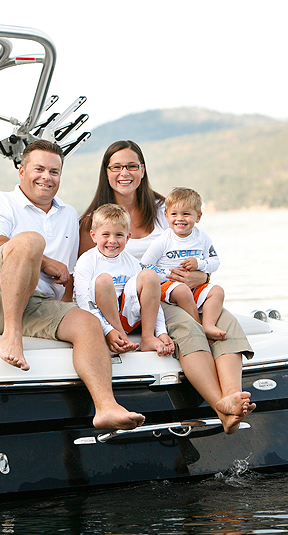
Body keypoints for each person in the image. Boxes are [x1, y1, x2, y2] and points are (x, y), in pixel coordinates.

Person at [0, 140, 145, 431]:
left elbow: (70, 272)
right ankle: (11, 334)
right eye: (39, 169)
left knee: (86, 322)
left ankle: (106, 406)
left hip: (37, 302)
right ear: (21, 171)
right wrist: (44, 261)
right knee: (30, 240)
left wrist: (78, 310)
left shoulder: (69, 214)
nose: (47, 177)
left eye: (54, 171)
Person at [79, 140, 255, 434]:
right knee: (187, 327)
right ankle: (220, 405)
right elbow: (88, 281)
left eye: (132, 166)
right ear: (106, 172)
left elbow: (196, 251)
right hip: (144, 298)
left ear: (143, 170)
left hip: (183, 288)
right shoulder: (93, 220)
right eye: (117, 167)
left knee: (226, 322)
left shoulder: (166, 209)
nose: (125, 173)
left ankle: (232, 398)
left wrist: (202, 277)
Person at [74, 203, 175, 356]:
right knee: (103, 280)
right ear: (94, 236)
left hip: (129, 317)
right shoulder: (86, 261)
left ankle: (148, 337)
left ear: (128, 237)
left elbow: (153, 300)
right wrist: (108, 330)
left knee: (149, 275)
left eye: (119, 235)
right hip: (99, 319)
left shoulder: (132, 262)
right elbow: (83, 301)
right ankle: (119, 336)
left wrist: (161, 331)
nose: (112, 240)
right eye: (106, 234)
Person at [141, 187, 227, 342]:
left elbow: (215, 262)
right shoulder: (163, 240)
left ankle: (208, 324)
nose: (179, 218)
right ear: (166, 216)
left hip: (195, 286)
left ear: (198, 217)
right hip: (168, 287)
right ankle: (198, 326)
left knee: (218, 291)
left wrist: (199, 263)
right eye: (174, 214)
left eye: (186, 214)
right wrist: (167, 274)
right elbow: (144, 265)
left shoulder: (202, 238)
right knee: (182, 290)